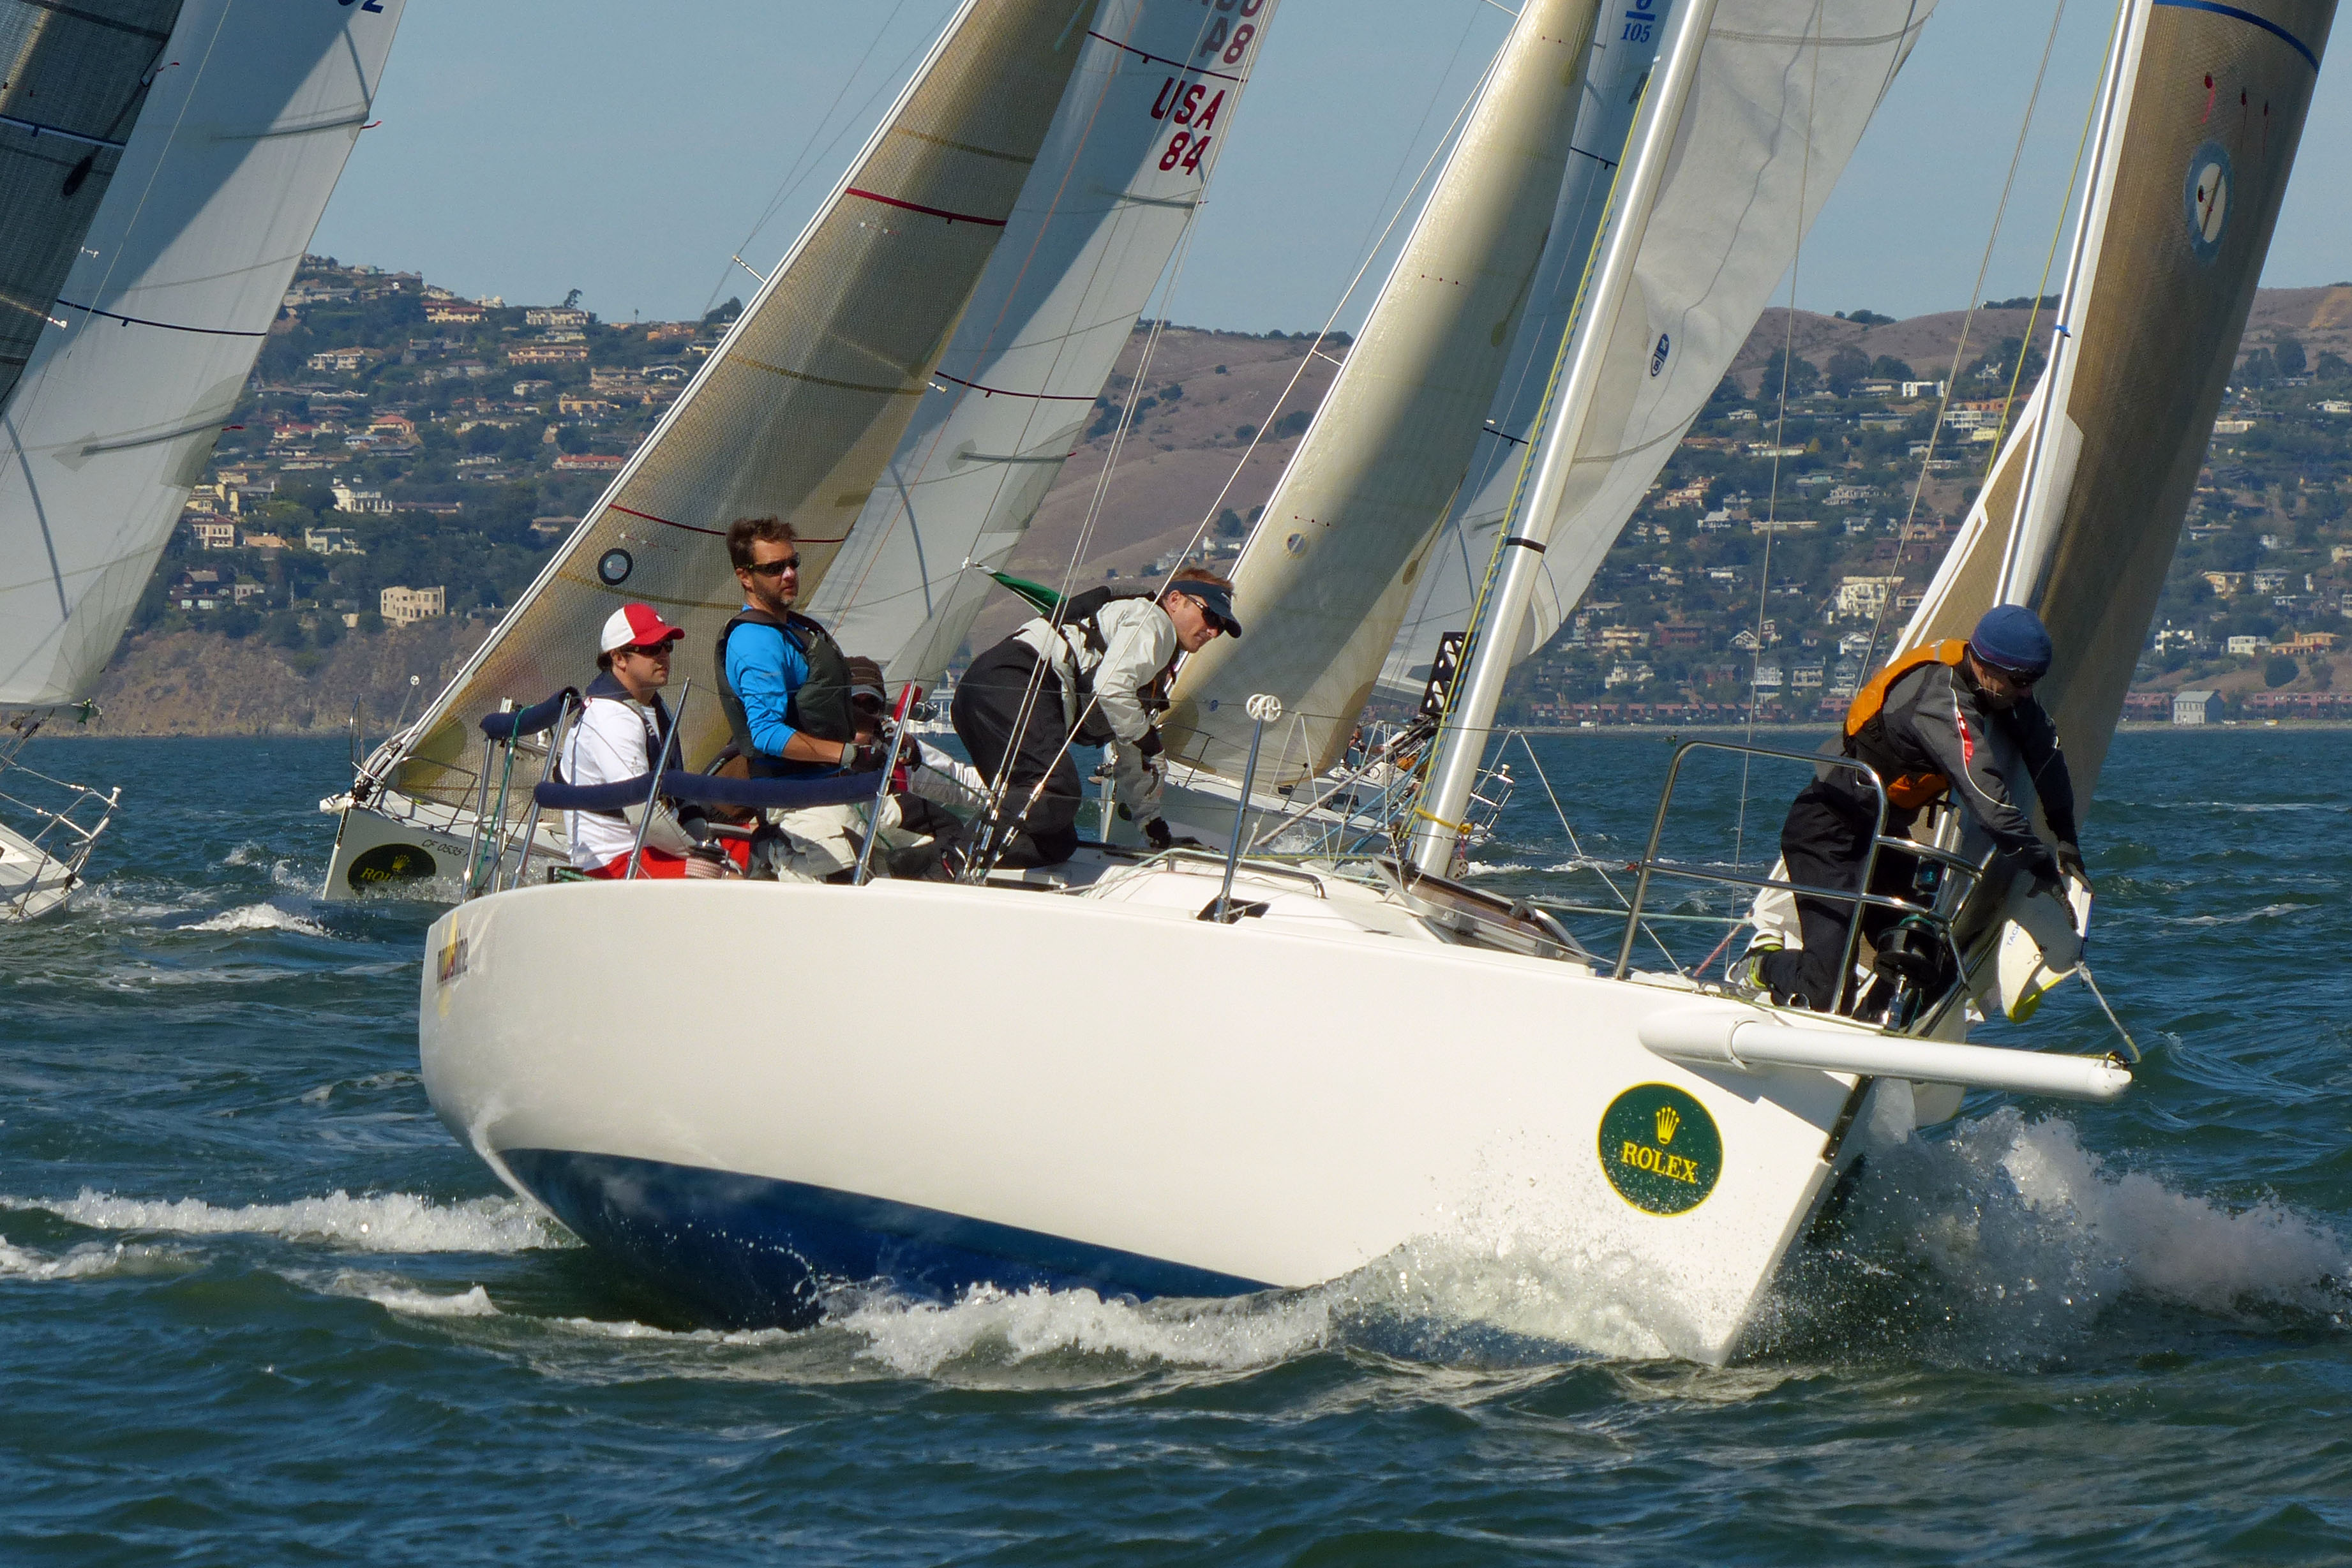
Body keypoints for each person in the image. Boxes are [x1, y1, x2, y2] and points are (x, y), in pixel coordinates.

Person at [1737, 604, 2085, 1012]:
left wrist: (2066, 838)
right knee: (1827, 991)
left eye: (2033, 682)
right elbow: (1987, 798)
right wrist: (2039, 865)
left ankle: (1875, 1023)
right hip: (1827, 832)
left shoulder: (2000, 688)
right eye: (2021, 681)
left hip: (1883, 836)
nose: (2026, 693)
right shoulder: (1939, 698)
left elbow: (2045, 755)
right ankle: (1761, 964)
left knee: (1925, 960)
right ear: (1985, 664)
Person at [952, 568, 1241, 867]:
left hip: (982, 691)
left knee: (1055, 843)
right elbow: (1111, 688)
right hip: (1017, 680)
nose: (1214, 632)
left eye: (1220, 627)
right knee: (1054, 791)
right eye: (1210, 617)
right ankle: (952, 863)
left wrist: (1154, 827)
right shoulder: (1155, 622)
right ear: (1176, 600)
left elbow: (1131, 745)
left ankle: (939, 856)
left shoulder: (1146, 660)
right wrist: (1147, 738)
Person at [714, 516, 892, 879]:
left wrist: (880, 735)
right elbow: (766, 734)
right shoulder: (755, 642)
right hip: (796, 802)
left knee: (932, 833)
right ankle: (774, 850)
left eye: (792, 563)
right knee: (849, 885)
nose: (789, 574)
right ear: (745, 577)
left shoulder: (792, 629)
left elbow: (820, 706)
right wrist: (847, 753)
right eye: (774, 568)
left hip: (833, 789)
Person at [561, 602, 730, 879]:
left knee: (760, 845)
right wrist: (707, 856)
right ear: (619, 658)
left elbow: (679, 797)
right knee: (724, 875)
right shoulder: (612, 718)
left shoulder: (652, 705)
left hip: (652, 846)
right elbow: (643, 815)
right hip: (614, 861)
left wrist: (710, 844)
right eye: (651, 649)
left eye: (667, 646)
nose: (663, 656)